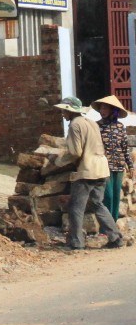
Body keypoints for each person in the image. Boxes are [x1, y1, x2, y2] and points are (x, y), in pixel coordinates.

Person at [55, 96, 124, 250]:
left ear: (70, 111)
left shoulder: (75, 125)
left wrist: (58, 161)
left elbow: (75, 152)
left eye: (64, 111)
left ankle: (76, 242)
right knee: (98, 204)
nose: (63, 114)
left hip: (88, 170)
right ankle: (115, 237)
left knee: (75, 207)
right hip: (102, 168)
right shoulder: (91, 122)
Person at [92, 95, 135, 222]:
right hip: (104, 166)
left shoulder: (120, 127)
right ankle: (106, 226)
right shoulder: (96, 126)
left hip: (119, 166)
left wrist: (131, 165)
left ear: (112, 110)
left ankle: (113, 225)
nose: (102, 111)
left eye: (105, 108)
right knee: (108, 196)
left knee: (116, 197)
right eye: (101, 108)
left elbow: (125, 147)